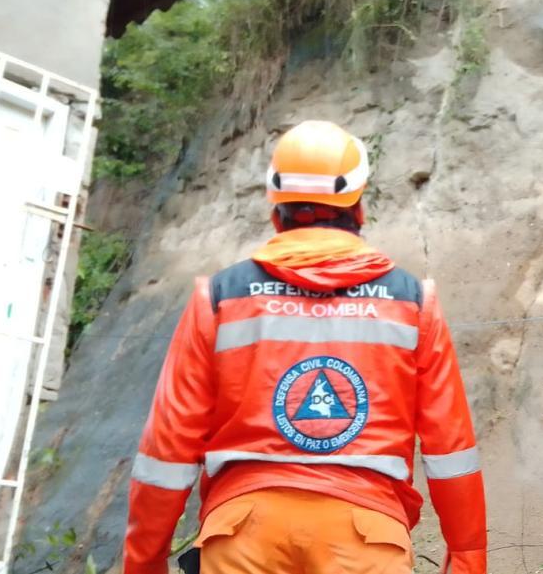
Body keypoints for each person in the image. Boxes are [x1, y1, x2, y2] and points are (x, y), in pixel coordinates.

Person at [123, 120, 487, 574]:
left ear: (276, 207)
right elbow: (450, 449)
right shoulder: (412, 302)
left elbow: (167, 449)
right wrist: (468, 557)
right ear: (358, 204)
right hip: (367, 540)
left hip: (241, 536)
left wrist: (144, 562)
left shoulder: (218, 298)